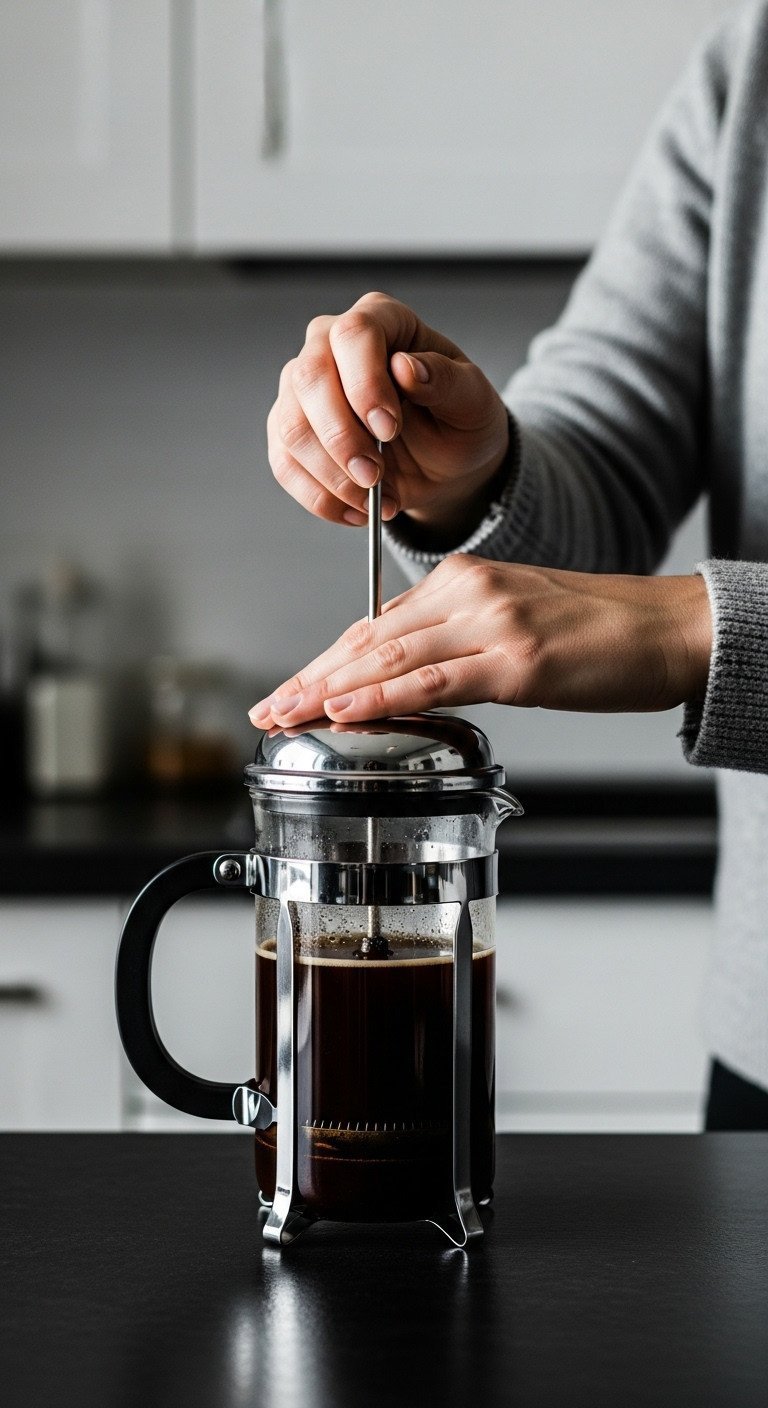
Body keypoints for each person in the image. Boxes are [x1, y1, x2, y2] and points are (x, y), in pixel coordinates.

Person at [251, 1, 768, 1130]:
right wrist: (472, 468)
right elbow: (610, 444)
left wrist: (712, 631)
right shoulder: (755, 65)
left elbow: (692, 618)